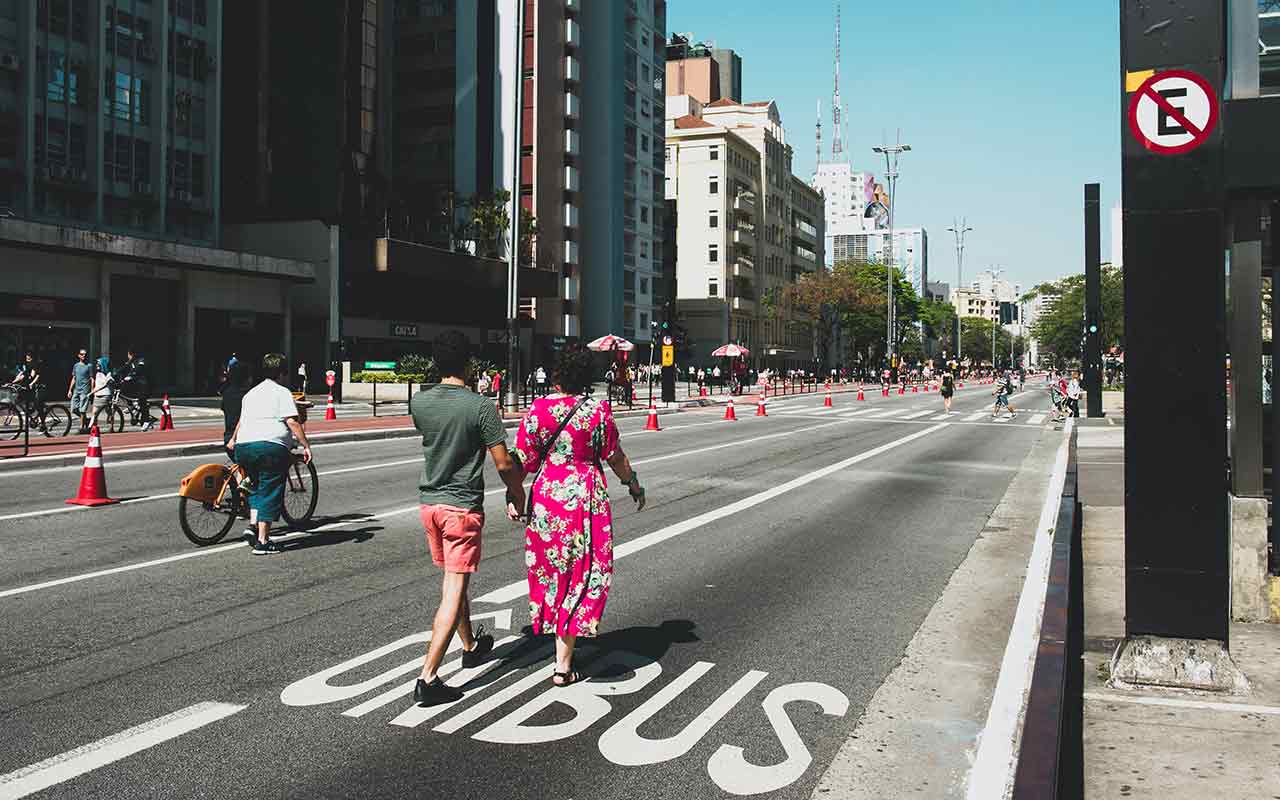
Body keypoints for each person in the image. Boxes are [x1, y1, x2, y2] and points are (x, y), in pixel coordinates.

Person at [513, 345, 645, 687]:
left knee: (551, 570)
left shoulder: (538, 409)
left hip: (546, 498)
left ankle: (558, 646)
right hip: (585, 497)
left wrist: (513, 495)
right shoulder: (597, 410)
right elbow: (614, 456)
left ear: (556, 376)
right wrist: (633, 484)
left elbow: (522, 460)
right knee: (584, 571)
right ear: (587, 377)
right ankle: (563, 663)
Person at [409, 330, 525, 706]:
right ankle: (428, 678)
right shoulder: (481, 407)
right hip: (461, 508)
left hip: (429, 506)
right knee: (453, 590)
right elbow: (504, 462)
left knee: (454, 582)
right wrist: (516, 491)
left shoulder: (420, 403)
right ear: (468, 363)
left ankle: (471, 645)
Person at [226, 353, 313, 556]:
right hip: (270, 447)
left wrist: (234, 440)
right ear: (283, 373)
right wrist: (306, 445)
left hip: (244, 447)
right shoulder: (282, 392)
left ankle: (253, 526)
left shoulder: (250, 394)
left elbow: (241, 420)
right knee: (270, 489)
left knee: (256, 488)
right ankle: (263, 541)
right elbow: (292, 421)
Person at [66, 348, 93, 434]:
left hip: (85, 390)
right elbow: (74, 378)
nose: (83, 356)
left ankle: (81, 427)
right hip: (76, 389)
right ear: (79, 355)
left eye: (85, 354)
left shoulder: (89, 366)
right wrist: (70, 390)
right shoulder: (76, 366)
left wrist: (92, 391)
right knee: (73, 409)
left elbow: (92, 379)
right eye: (82, 354)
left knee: (82, 410)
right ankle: (86, 420)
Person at [89, 356, 113, 428]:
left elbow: (105, 385)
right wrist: (93, 391)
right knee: (94, 413)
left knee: (107, 411)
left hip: (105, 394)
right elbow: (97, 385)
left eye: (98, 363)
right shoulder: (97, 374)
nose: (97, 365)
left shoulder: (108, 374)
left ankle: (111, 425)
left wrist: (92, 392)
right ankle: (91, 427)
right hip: (97, 395)